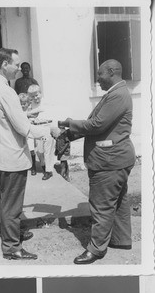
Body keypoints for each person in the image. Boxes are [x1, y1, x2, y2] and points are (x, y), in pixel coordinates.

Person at [56, 59, 136, 264]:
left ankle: (97, 249)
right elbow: (100, 126)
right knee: (117, 201)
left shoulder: (118, 94)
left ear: (111, 72)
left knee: (101, 205)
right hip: (116, 159)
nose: (97, 79)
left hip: (109, 162)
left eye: (100, 74)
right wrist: (69, 135)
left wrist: (68, 123)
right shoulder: (116, 93)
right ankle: (119, 240)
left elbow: (97, 125)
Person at [0, 48, 51, 261]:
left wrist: (26, 113)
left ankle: (13, 232)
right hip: (12, 156)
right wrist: (50, 130)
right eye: (16, 64)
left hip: (1, 155)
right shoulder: (6, 91)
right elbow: (23, 128)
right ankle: (12, 247)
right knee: (12, 205)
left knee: (6, 200)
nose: (19, 68)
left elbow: (5, 118)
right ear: (4, 64)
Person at [28, 84, 56, 180]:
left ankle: (48, 171)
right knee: (39, 151)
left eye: (37, 95)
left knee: (48, 150)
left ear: (40, 93)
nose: (35, 98)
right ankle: (44, 166)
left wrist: (54, 128)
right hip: (37, 129)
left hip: (47, 127)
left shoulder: (46, 102)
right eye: (32, 96)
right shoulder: (31, 105)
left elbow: (53, 114)